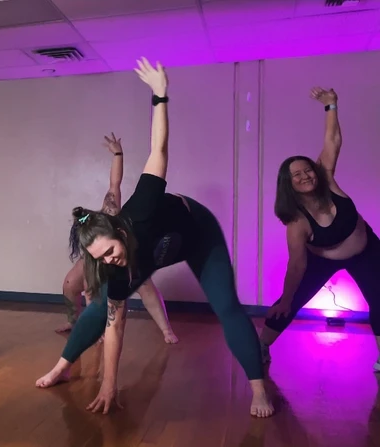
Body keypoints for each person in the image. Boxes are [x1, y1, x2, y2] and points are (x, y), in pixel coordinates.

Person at [35, 57, 274, 418]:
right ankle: (62, 365)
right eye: (99, 258)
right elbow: (116, 325)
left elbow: (158, 150)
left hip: (196, 234)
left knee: (226, 307)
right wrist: (108, 384)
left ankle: (259, 388)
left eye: (110, 251)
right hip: (156, 252)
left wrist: (160, 96)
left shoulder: (142, 208)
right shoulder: (110, 266)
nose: (109, 260)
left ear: (120, 230)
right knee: (101, 307)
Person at [262, 87, 380, 371]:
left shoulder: (327, 178)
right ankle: (260, 347)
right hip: (321, 260)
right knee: (288, 301)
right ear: (288, 184)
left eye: (307, 170)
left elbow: (333, 141)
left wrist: (331, 105)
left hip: (367, 250)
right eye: (296, 175)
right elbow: (297, 265)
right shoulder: (297, 222)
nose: (305, 176)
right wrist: (288, 298)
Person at [55, 133, 178, 346]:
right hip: (96, 265)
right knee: (69, 284)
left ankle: (166, 330)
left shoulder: (111, 212)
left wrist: (118, 153)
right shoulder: (89, 249)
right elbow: (91, 291)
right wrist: (95, 327)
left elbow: (115, 183)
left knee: (145, 285)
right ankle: (75, 323)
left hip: (126, 255)